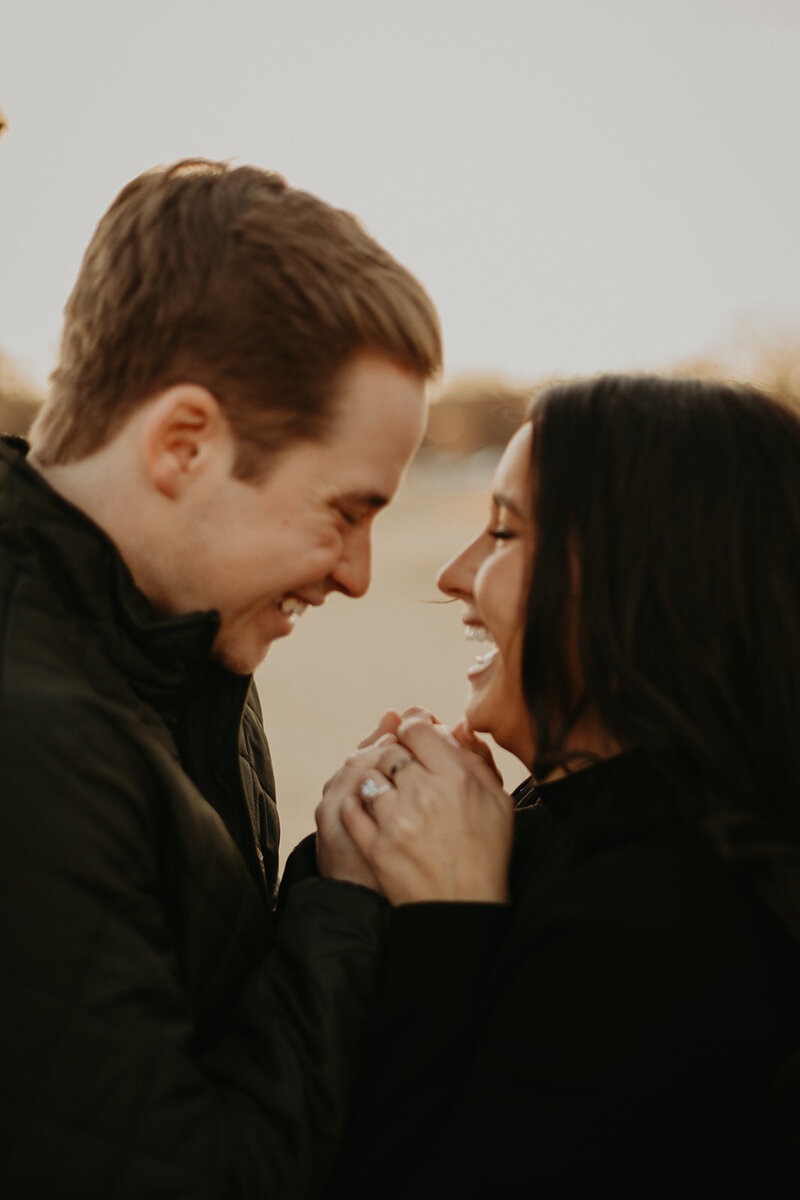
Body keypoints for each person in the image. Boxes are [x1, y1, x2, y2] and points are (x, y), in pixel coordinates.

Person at [0, 157, 513, 1199]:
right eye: (344, 510)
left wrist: (332, 871)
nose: (361, 575)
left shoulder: (179, 650)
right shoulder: (35, 744)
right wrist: (350, 905)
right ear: (183, 444)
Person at [315, 373, 800, 1197]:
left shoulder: (676, 926)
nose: (452, 574)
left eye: (504, 534)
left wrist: (450, 920)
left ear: (645, 582)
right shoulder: (568, 824)